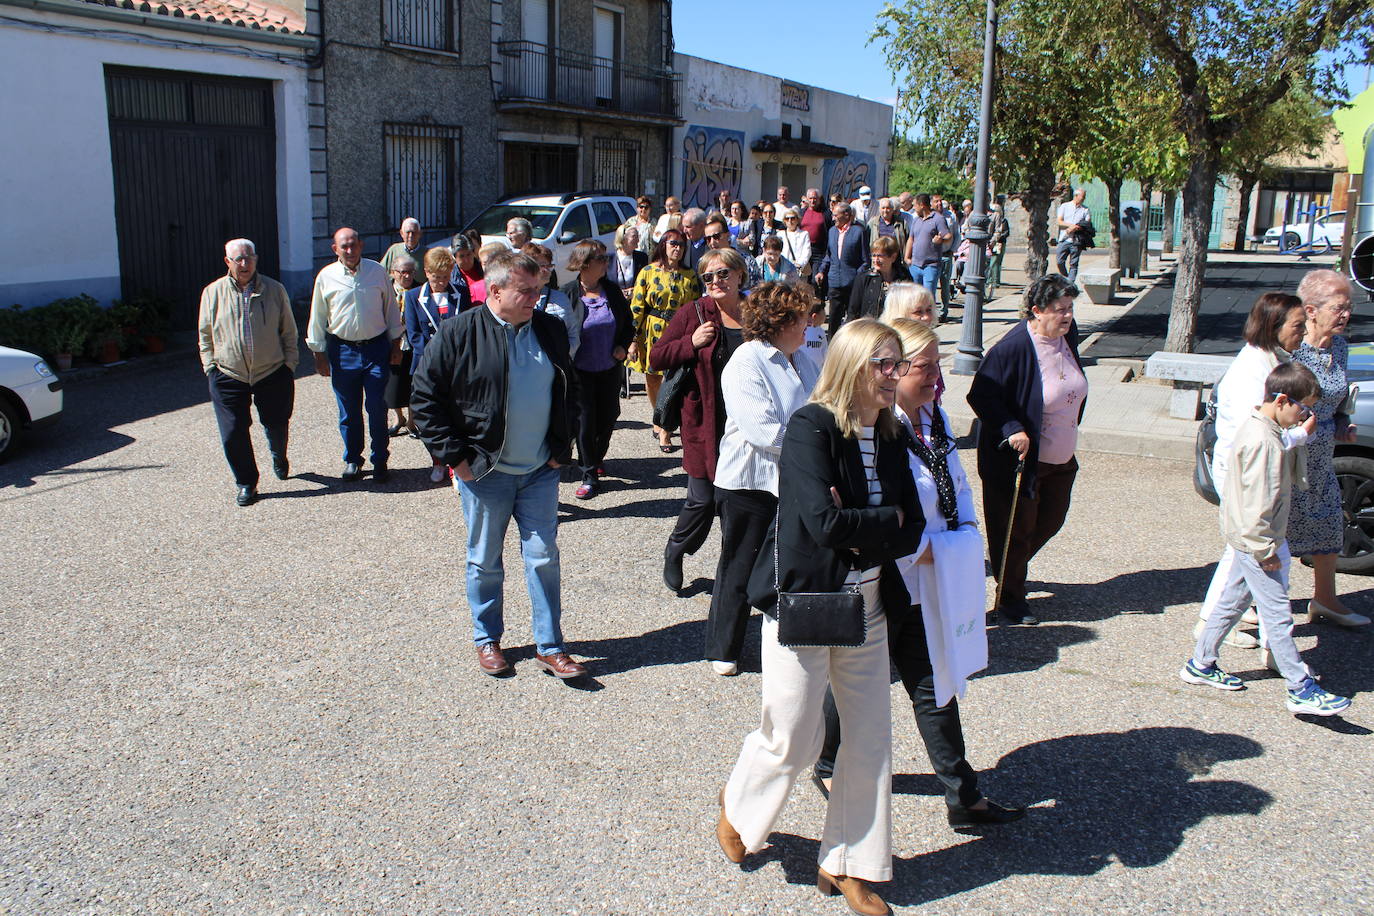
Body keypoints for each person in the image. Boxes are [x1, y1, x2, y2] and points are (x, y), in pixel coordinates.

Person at [716, 318, 922, 916]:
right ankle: (739, 806)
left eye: (898, 363)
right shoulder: (811, 428)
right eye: (884, 364)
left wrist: (864, 525)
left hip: (872, 603)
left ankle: (850, 864)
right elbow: (821, 524)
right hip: (805, 601)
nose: (895, 375)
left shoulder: (889, 435)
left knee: (870, 741)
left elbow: (911, 524)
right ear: (853, 365)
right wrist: (878, 525)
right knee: (794, 733)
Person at [815, 318, 1024, 829]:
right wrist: (926, 549)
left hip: (935, 572)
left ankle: (962, 794)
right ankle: (826, 758)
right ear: (894, 369)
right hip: (892, 576)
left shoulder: (937, 420)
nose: (936, 377)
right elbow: (885, 513)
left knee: (930, 683)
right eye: (924, 367)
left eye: (937, 366)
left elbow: (957, 485)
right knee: (860, 673)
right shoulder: (879, 431)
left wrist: (967, 538)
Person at [410, 250, 587, 680]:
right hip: (486, 472)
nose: (535, 298)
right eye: (525, 292)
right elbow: (424, 400)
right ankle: (487, 639)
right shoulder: (458, 333)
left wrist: (561, 448)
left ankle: (550, 646)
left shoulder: (549, 328)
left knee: (543, 557)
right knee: (485, 561)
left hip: (540, 471)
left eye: (539, 290)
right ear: (495, 291)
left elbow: (569, 389)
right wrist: (457, 458)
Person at [1182, 362, 1353, 716]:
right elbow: (1259, 501)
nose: (1304, 414)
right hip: (1261, 542)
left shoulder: (1262, 428)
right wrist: (1265, 550)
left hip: (1250, 539)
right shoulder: (1265, 442)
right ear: (1281, 399)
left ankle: (1201, 663)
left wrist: (1299, 437)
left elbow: (1276, 446)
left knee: (1232, 601)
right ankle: (1300, 688)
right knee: (1277, 614)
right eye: (1302, 407)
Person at [706, 282, 820, 675]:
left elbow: (819, 409)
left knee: (786, 562)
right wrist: (816, 444)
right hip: (748, 482)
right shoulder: (746, 360)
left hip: (790, 478)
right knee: (739, 565)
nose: (809, 323)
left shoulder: (802, 359)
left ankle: (785, 639)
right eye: (801, 317)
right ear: (779, 321)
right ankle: (724, 648)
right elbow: (764, 431)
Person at [968, 275, 1087, 626]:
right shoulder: (1013, 347)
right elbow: (981, 395)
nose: (1066, 316)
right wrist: (1012, 428)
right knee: (1015, 531)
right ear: (1036, 310)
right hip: (1019, 463)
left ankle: (1011, 571)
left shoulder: (1068, 335)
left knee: (1050, 520)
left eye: (1069, 309)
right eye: (1059, 310)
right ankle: (1010, 601)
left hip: (1061, 456)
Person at [1196, 293, 1312, 651]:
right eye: (1297, 325)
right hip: (1243, 475)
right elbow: (1257, 433)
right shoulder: (1253, 371)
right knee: (1251, 549)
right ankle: (1215, 628)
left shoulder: (1270, 359)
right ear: (1273, 326)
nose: (1304, 332)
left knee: (1247, 551)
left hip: (1252, 472)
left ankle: (1225, 624)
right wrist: (1299, 434)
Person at [652, 248, 750, 594]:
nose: (715, 282)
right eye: (708, 277)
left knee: (738, 503)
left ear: (740, 274)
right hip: (704, 423)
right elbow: (657, 355)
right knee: (702, 499)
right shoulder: (693, 313)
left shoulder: (756, 312)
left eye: (723, 274)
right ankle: (675, 549)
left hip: (748, 426)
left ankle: (736, 574)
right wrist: (690, 344)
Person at [1289, 269, 1370, 627]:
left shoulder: (1339, 345)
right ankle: (1252, 607)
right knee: (1275, 535)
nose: (1346, 314)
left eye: (1348, 307)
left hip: (1322, 456)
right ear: (1310, 310)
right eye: (1338, 308)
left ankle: (1325, 600)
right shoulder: (1290, 348)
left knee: (1327, 526)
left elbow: (1337, 398)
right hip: (1290, 455)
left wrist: (1340, 421)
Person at [198, 238, 298, 506]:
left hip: (272, 370)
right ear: (227, 262)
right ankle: (246, 482)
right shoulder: (212, 292)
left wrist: (289, 363)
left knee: (276, 422)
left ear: (256, 259)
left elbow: (288, 330)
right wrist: (210, 366)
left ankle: (279, 455)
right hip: (228, 374)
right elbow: (205, 334)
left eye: (249, 258)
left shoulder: (275, 290)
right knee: (232, 432)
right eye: (238, 259)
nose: (244, 264)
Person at [307, 226, 403, 482]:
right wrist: (319, 354)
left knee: (377, 407)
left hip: (375, 349)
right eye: (343, 246)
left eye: (353, 245)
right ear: (334, 249)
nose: (349, 250)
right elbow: (317, 317)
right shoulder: (325, 277)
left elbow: (391, 310)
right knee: (348, 411)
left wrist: (396, 345)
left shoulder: (377, 272)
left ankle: (380, 459)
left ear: (361, 245)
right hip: (343, 350)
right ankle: (353, 459)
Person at [561, 240, 633, 499]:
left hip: (609, 368)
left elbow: (628, 325)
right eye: (602, 259)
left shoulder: (612, 291)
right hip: (579, 371)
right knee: (584, 422)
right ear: (586, 263)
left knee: (609, 415)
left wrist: (622, 346)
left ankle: (595, 456)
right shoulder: (567, 293)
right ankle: (589, 473)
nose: (607, 262)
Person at [628, 228, 702, 452]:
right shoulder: (648, 272)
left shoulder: (690, 276)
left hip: (678, 332)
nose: (677, 248)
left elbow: (697, 307)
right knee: (652, 379)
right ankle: (657, 415)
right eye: (673, 243)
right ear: (663, 246)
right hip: (652, 331)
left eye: (681, 244)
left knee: (673, 380)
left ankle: (665, 430)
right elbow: (637, 307)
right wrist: (632, 339)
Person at [405, 247, 472, 483]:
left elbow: (465, 329)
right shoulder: (413, 296)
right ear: (426, 272)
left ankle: (456, 464)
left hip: (456, 367)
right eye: (436, 277)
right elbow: (414, 336)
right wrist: (435, 361)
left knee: (456, 416)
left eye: (445, 276)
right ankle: (437, 461)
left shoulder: (461, 293)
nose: (441, 282)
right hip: (427, 367)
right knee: (432, 418)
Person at [815, 203, 870, 338]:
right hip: (835, 281)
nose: (833, 218)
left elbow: (865, 260)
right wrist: (822, 271)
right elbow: (829, 255)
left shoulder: (858, 231)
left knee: (852, 318)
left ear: (846, 215)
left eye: (835, 215)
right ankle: (831, 345)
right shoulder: (832, 231)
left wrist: (858, 276)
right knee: (833, 318)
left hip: (852, 283)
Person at [521, 242, 578, 355]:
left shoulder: (561, 298)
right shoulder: (518, 300)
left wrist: (561, 358)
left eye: (549, 265)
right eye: (542, 266)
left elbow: (573, 335)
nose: (547, 270)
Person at [386, 254, 420, 438]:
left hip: (413, 343)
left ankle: (412, 421)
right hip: (393, 342)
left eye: (410, 272)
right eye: (402, 272)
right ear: (393, 272)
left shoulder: (420, 290)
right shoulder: (386, 290)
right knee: (393, 383)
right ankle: (398, 418)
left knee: (412, 383)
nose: (406, 276)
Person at [847, 236, 913, 322]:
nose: (875, 260)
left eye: (880, 256)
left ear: (893, 257)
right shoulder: (864, 278)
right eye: (873, 255)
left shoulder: (904, 276)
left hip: (896, 327)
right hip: (870, 329)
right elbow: (853, 311)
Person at [905, 194, 950, 316]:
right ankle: (917, 319)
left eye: (915, 205)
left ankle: (930, 320)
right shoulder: (916, 220)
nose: (914, 208)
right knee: (915, 295)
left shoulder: (938, 219)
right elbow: (911, 239)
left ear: (922, 205)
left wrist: (941, 240)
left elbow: (948, 236)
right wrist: (907, 257)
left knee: (928, 295)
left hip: (931, 265)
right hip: (915, 265)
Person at [703, 213, 764, 290]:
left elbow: (758, 290)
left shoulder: (746, 260)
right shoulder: (705, 264)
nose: (712, 242)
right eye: (708, 239)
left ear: (727, 235)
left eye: (716, 236)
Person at [1055, 188, 1092, 284]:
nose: (1083, 199)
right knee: (1060, 261)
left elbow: (1087, 224)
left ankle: (1070, 284)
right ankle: (1066, 277)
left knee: (1074, 264)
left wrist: (1075, 228)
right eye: (1082, 197)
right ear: (1076, 196)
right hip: (1064, 239)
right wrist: (1070, 226)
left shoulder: (1085, 210)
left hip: (1076, 241)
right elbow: (1059, 221)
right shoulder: (1065, 206)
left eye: (1084, 197)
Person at [799, 188, 832, 291]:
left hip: (819, 250)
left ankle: (818, 300)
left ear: (819, 199)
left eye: (815, 198)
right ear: (807, 199)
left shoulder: (825, 213)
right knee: (804, 279)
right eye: (810, 198)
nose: (813, 201)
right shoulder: (802, 212)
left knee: (815, 279)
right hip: (804, 248)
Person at [932, 195, 959, 318]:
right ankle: (932, 311)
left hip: (946, 254)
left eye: (940, 201)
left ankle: (944, 310)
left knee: (945, 284)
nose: (939, 204)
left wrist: (953, 250)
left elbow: (956, 234)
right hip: (932, 255)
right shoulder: (930, 217)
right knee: (931, 283)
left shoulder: (950, 216)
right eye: (936, 201)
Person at [608, 223, 648, 299]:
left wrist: (635, 290)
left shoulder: (642, 258)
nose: (638, 240)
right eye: (634, 236)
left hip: (635, 302)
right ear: (623, 239)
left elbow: (646, 282)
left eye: (638, 236)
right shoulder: (609, 259)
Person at [867, 198, 909, 264]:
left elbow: (908, 240)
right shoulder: (872, 223)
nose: (885, 210)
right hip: (878, 261)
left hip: (897, 261)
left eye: (888, 208)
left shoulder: (901, 223)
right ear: (879, 209)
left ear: (892, 209)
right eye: (883, 208)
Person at [449, 233, 486, 307]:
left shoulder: (484, 269)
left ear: (473, 253)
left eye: (468, 254)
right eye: (461, 256)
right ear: (455, 257)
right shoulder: (450, 276)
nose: (466, 260)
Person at [779, 207, 812, 276]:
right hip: (783, 270)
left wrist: (799, 264)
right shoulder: (780, 234)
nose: (790, 221)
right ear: (784, 221)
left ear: (797, 220)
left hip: (799, 270)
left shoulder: (804, 234)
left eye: (793, 218)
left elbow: (807, 251)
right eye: (787, 219)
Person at [986, 202, 1010, 296]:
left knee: (995, 262)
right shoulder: (990, 219)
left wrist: (998, 237)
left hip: (999, 243)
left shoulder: (1004, 221)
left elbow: (1006, 232)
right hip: (992, 242)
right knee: (991, 262)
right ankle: (990, 280)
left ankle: (995, 281)